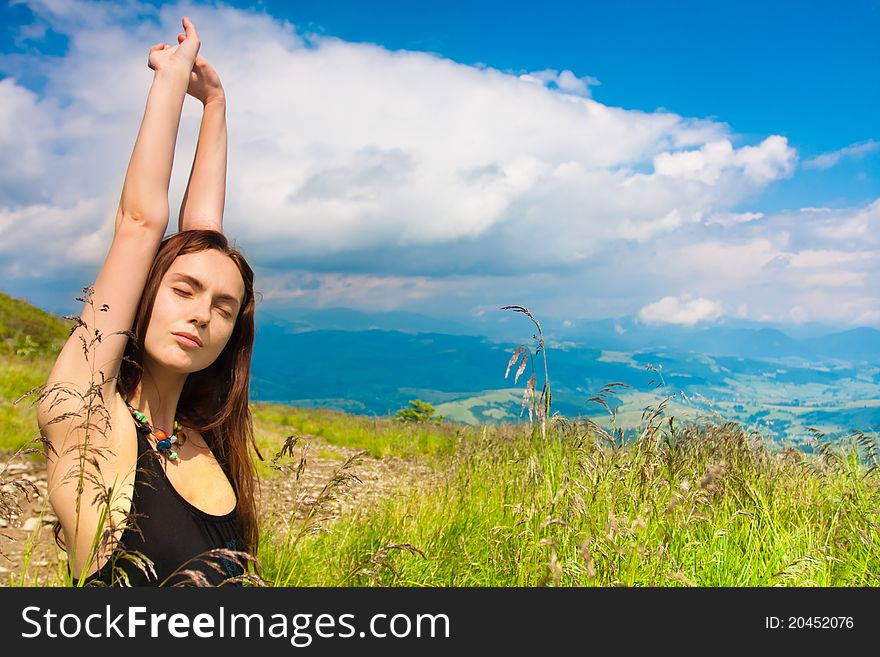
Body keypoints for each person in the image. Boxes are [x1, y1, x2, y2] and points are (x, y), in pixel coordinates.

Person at [37, 16, 260, 586]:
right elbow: (141, 223)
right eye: (182, 291)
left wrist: (215, 105)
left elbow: (202, 240)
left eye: (224, 308)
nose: (202, 314)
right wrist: (171, 78)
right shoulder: (88, 423)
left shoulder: (204, 439)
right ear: (143, 296)